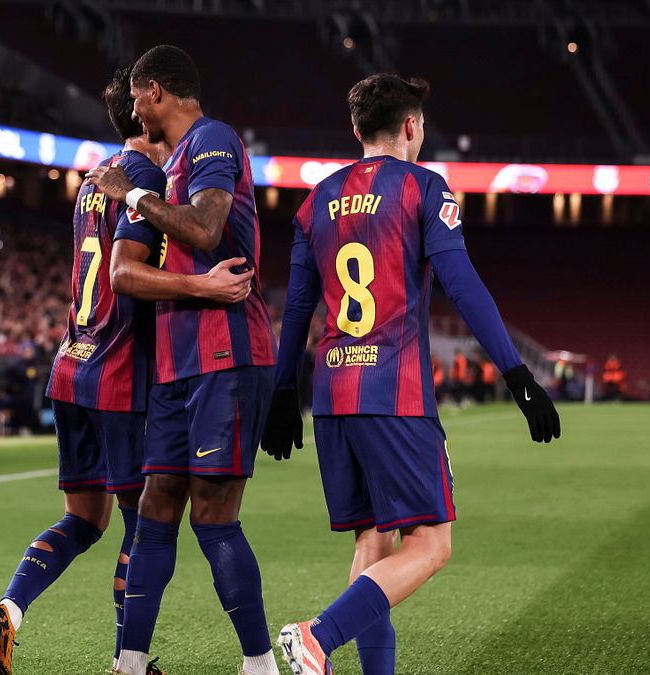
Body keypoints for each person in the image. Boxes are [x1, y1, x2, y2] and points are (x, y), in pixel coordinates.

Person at [261, 73, 561, 675]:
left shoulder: (315, 201)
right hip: (394, 392)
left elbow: (296, 309)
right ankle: (317, 635)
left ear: (356, 131)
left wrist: (282, 392)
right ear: (410, 126)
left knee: (374, 544)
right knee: (431, 545)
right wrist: (517, 374)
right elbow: (462, 284)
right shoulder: (424, 187)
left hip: (333, 393)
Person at [85, 45, 280, 675]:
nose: (132, 109)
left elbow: (204, 228)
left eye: (136, 97)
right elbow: (124, 275)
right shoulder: (162, 169)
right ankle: (130, 663)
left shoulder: (212, 139)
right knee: (156, 507)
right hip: (175, 363)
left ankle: (259, 665)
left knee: (214, 516)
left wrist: (133, 197)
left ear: (155, 92)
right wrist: (142, 200)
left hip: (228, 353)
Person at [0, 66, 175, 675]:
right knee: (142, 525)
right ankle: (126, 661)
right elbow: (130, 274)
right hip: (119, 371)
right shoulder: (144, 180)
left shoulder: (93, 180)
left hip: (72, 363)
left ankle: (9, 610)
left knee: (84, 518)